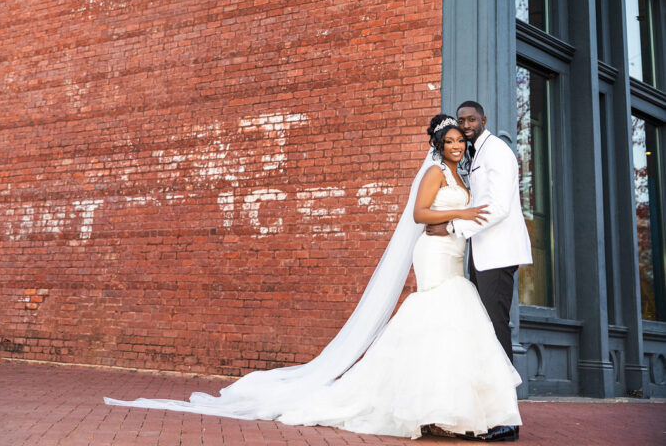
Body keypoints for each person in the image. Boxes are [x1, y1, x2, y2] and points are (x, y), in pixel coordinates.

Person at [106, 116, 523, 441]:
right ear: (437, 145)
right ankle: (430, 410)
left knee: (451, 328)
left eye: (458, 141)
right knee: (435, 317)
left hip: (453, 249)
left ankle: (445, 410)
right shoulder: (434, 172)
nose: (455, 146)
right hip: (433, 254)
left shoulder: (461, 175)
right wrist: (461, 214)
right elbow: (419, 215)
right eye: (448, 141)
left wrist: (461, 220)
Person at [427, 101, 532, 443]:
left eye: (471, 119)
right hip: (481, 255)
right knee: (485, 331)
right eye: (461, 120)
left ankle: (507, 419)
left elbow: (499, 207)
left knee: (497, 331)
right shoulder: (474, 155)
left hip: (498, 256)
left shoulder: (497, 151)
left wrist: (454, 227)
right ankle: (488, 409)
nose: (466, 124)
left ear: (483, 120)